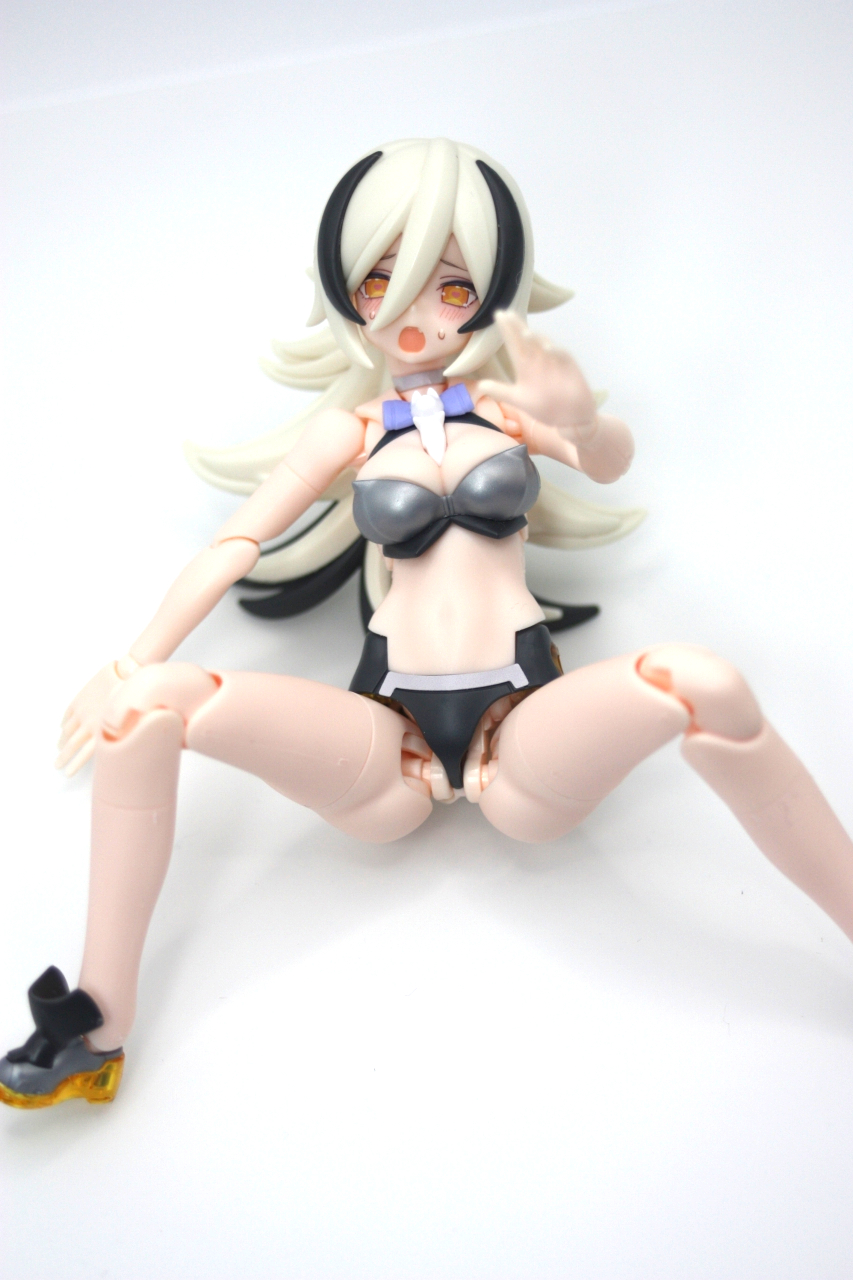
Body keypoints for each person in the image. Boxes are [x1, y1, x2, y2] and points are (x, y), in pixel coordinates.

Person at [2, 137, 851, 1111]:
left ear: (491, 293)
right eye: (381, 282)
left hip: (522, 734)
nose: (414, 314)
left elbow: (608, 460)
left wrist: (580, 422)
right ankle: (96, 1028)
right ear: (346, 291)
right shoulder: (350, 433)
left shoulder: (508, 411)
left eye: (451, 288)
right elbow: (237, 542)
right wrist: (129, 660)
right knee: (147, 705)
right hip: (387, 745)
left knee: (701, 680)